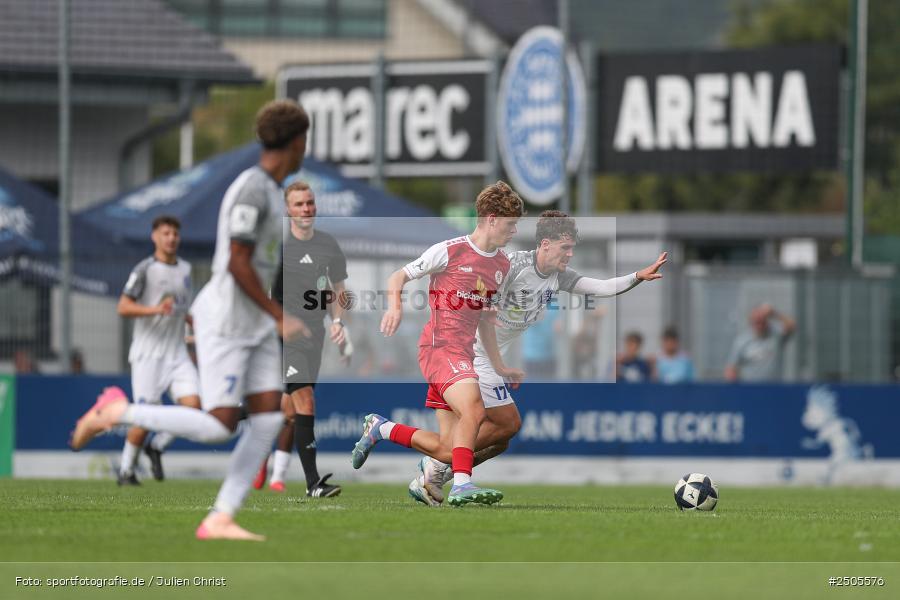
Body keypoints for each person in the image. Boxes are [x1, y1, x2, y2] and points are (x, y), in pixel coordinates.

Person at [70, 99, 310, 541]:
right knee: (218, 426)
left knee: (270, 417)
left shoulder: (271, 192)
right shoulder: (252, 189)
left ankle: (220, 517)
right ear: (297, 142)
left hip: (253, 323)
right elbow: (237, 262)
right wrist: (279, 315)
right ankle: (116, 412)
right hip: (227, 318)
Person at [409, 211, 668, 506]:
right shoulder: (512, 266)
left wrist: (637, 277)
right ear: (545, 244)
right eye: (565, 248)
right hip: (473, 353)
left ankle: (436, 467)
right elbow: (478, 298)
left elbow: (600, 287)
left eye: (571, 248)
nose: (570, 254)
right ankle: (439, 465)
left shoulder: (558, 277)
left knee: (500, 440)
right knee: (508, 423)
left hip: (486, 357)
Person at [350, 181, 524, 507]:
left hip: (463, 355)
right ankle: (462, 485)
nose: (514, 231)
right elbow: (398, 276)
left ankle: (382, 429)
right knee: (474, 410)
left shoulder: (501, 265)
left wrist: (500, 365)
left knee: (448, 449)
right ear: (491, 219)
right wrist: (395, 307)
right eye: (510, 224)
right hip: (439, 349)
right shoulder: (450, 250)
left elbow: (485, 320)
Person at [253, 180, 349, 497]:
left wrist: (338, 322)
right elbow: (258, 291)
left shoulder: (328, 244)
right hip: (284, 337)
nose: (306, 209)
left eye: (309, 203)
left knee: (291, 410)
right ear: (287, 210)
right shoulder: (276, 246)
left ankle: (238, 422)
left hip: (315, 335)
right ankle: (313, 484)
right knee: (305, 400)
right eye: (299, 204)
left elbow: (338, 290)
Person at [115, 215, 200, 486]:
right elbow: (123, 307)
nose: (171, 238)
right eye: (166, 233)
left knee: (195, 409)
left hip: (177, 353)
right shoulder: (145, 269)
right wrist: (155, 309)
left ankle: (157, 446)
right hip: (148, 355)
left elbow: (182, 308)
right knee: (145, 417)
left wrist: (194, 322)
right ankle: (126, 470)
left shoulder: (185, 269)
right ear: (155, 237)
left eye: (175, 233)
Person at [724, 303, 795, 382]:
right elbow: (731, 368)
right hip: (750, 387)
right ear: (751, 322)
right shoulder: (741, 341)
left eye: (762, 321)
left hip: (774, 387)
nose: (760, 325)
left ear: (767, 321)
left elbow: (791, 325)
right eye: (757, 321)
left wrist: (774, 313)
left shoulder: (776, 336)